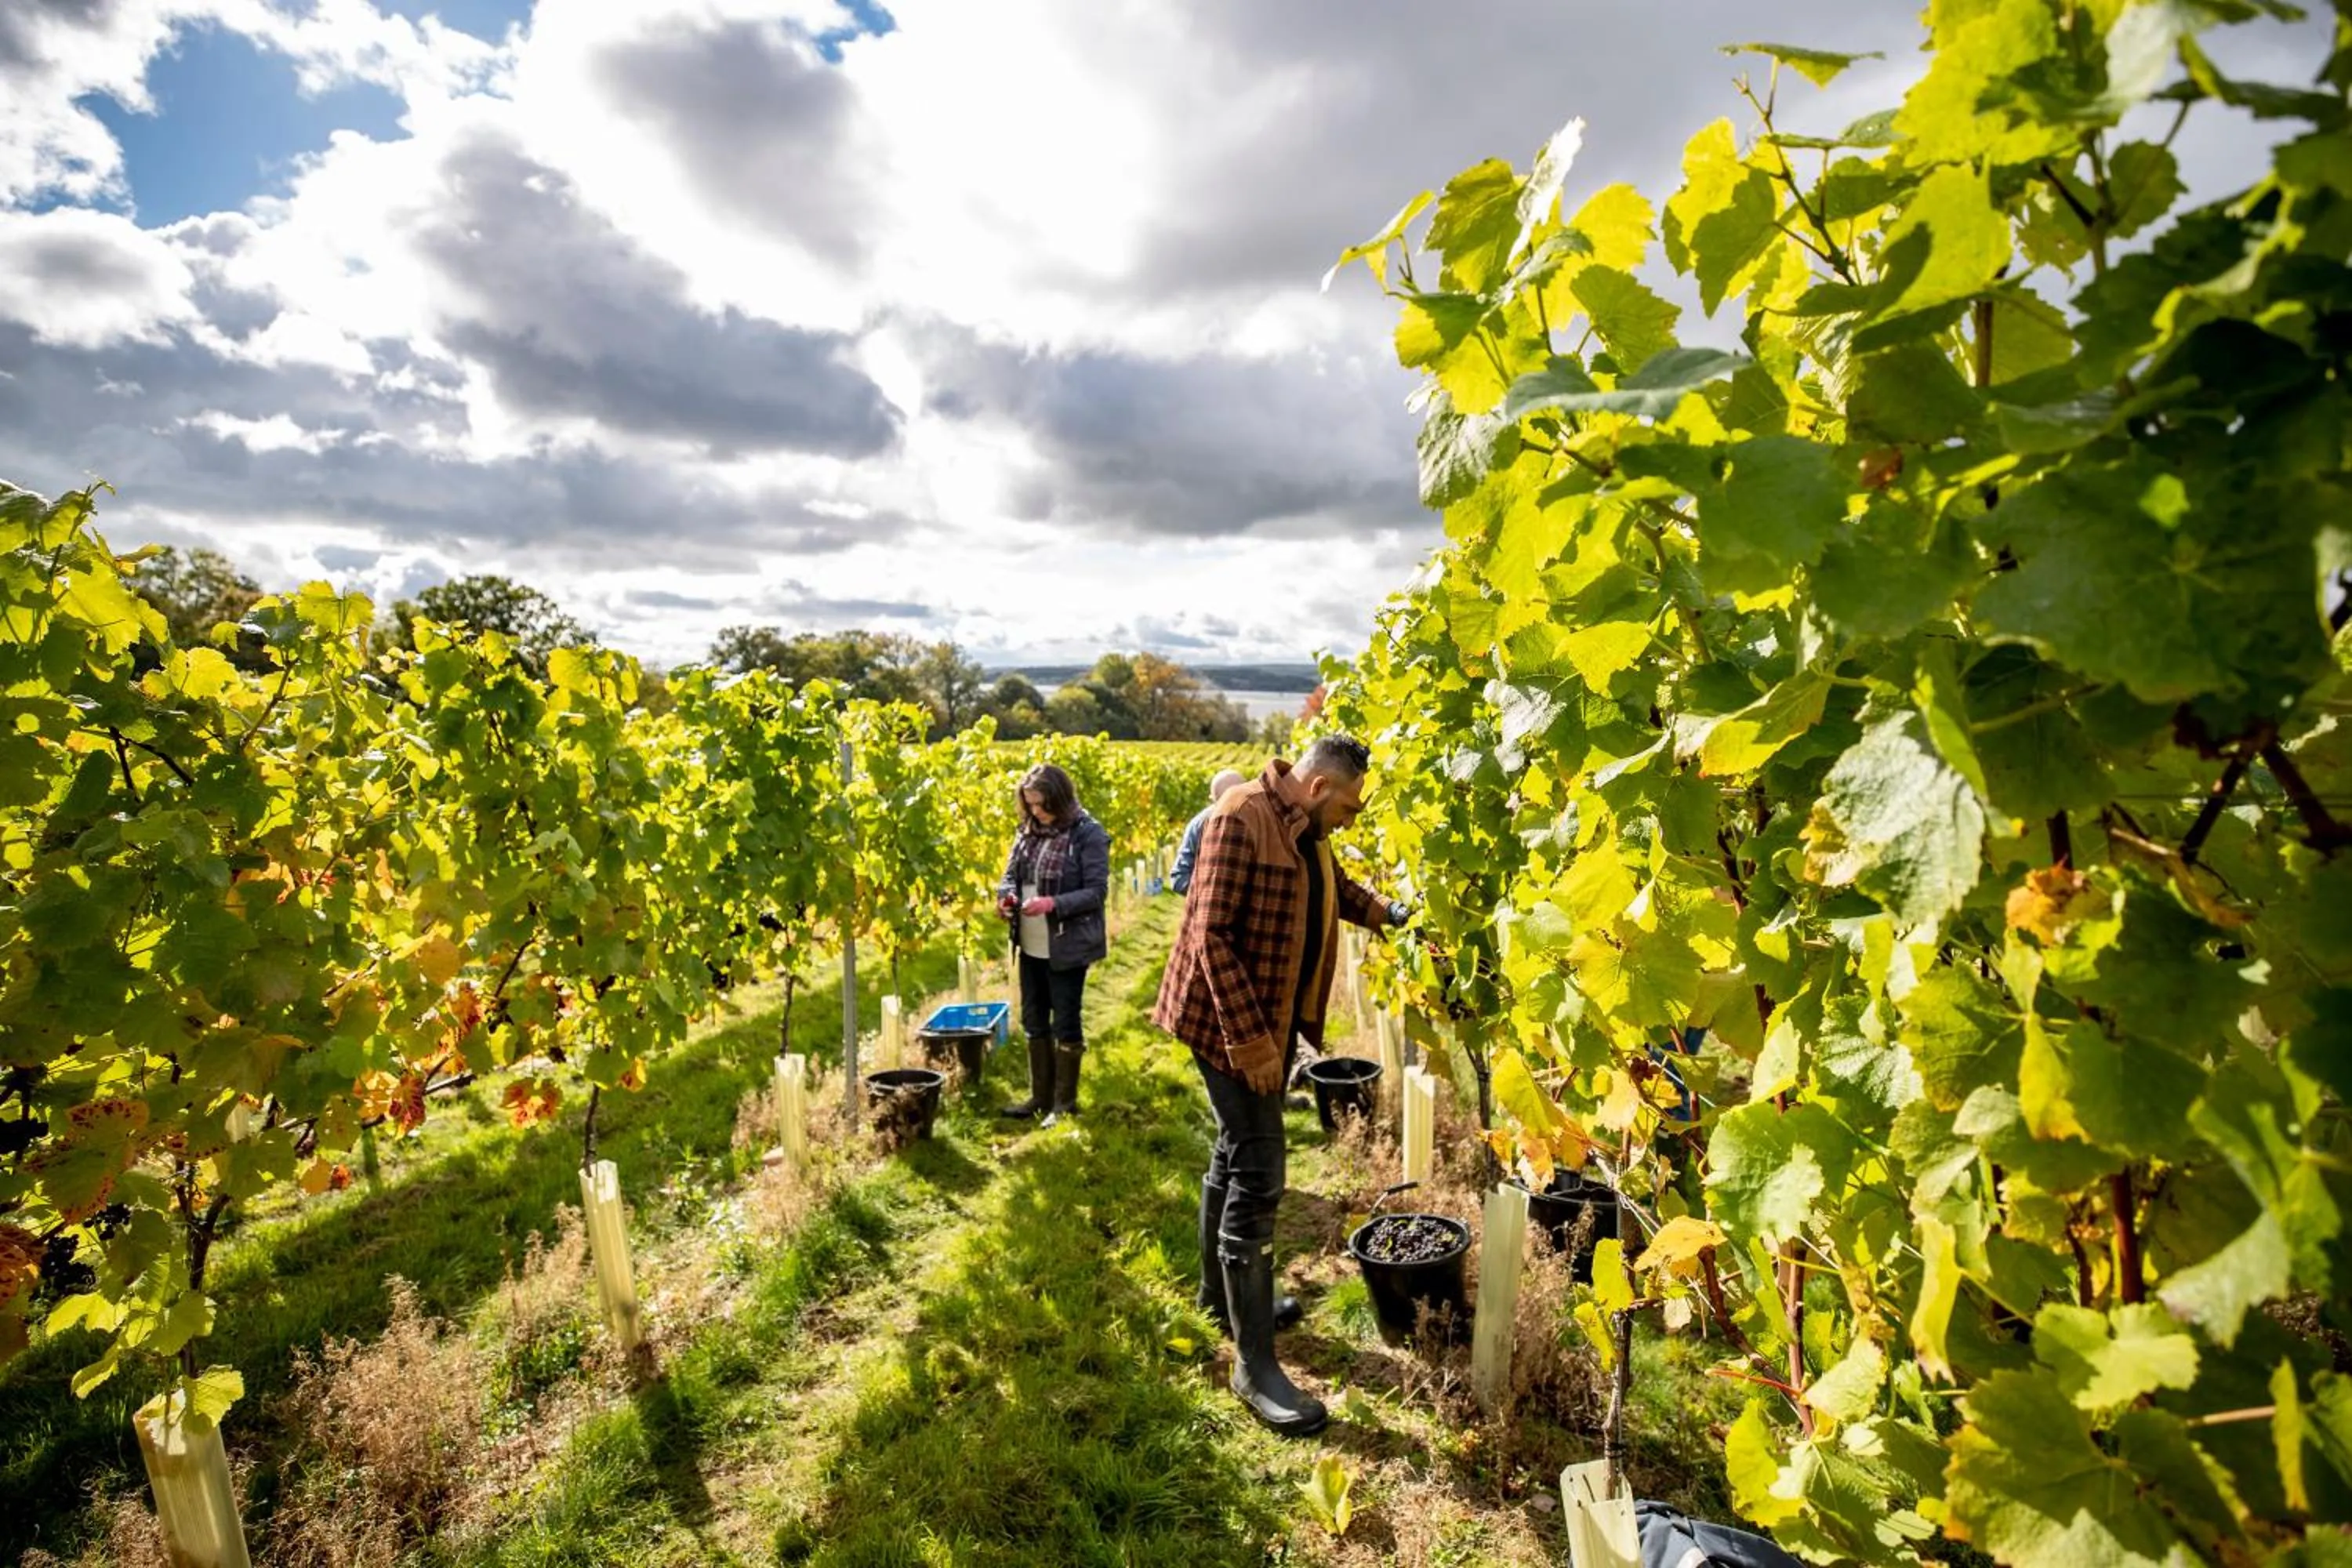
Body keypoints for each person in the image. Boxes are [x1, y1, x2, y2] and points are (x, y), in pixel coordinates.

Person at [1152, 736, 1410, 1437]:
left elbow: (1332, 893)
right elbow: (1209, 938)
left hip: (1261, 1020)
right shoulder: (1239, 817)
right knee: (1261, 1172)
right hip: (1222, 1022)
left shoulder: (1305, 829)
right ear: (1321, 786)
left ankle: (1218, 1300)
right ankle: (1253, 1365)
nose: (1353, 820)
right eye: (1352, 807)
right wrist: (1250, 1042)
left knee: (1234, 1155)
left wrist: (1390, 913)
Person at [995, 763, 1111, 1127]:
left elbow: (1096, 891)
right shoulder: (1027, 831)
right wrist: (1007, 897)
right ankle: (1039, 1098)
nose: (1035, 811)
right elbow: (1009, 875)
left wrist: (1053, 905)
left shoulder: (1087, 834)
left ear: (1059, 799)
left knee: (1065, 1019)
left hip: (1066, 943)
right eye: (1029, 804)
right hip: (1030, 942)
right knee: (1033, 1019)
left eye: (1041, 804)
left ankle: (1064, 1104)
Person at [1170, 768, 1247, 895]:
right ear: (1214, 800)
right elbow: (1179, 878)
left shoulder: (1261, 824)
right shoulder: (1200, 825)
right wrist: (1210, 895)